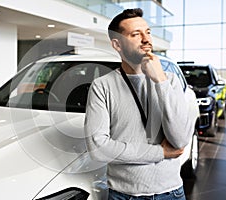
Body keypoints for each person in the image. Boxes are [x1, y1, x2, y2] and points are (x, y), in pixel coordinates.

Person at [84, 8, 197, 200]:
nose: (146, 39)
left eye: (148, 32)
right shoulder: (102, 86)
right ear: (117, 44)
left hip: (170, 193)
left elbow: (179, 142)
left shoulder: (169, 81)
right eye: (136, 34)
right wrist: (160, 152)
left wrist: (160, 80)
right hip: (123, 195)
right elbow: (98, 148)